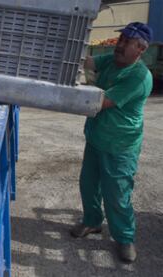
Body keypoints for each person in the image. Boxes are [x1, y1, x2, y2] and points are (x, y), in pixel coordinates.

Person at [70, 22, 153, 263]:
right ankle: (92, 222)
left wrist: (66, 96)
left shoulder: (138, 77)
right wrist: (71, 51)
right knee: (88, 185)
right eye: (121, 39)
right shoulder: (113, 60)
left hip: (120, 145)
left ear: (140, 49)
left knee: (117, 195)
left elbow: (100, 102)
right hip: (96, 138)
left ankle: (125, 238)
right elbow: (90, 62)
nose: (121, 45)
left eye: (128, 42)